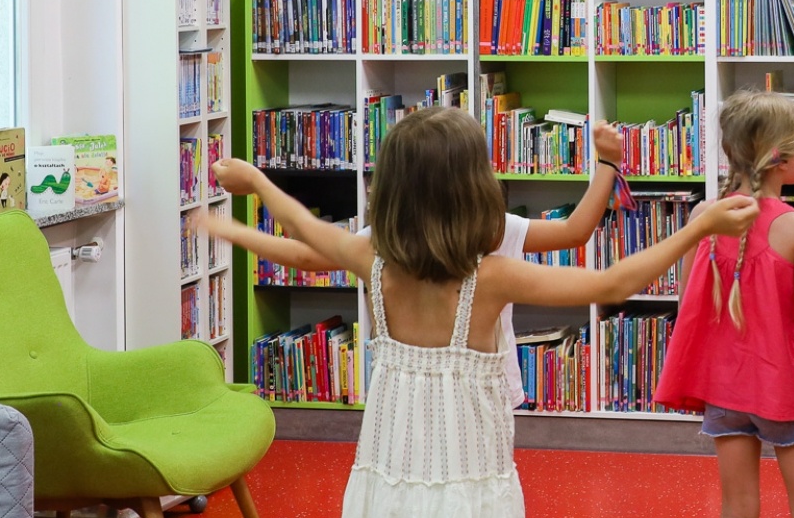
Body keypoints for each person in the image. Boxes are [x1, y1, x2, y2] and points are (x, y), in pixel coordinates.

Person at [209, 108, 758, 518]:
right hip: (469, 476)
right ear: (473, 189)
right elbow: (611, 282)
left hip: (391, 473)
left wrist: (253, 188)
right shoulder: (489, 277)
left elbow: (306, 233)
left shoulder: (368, 257)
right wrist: (698, 228)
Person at [201, 120, 628, 412]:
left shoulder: (382, 240)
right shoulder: (498, 231)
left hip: (402, 398)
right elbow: (575, 231)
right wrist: (607, 163)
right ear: (474, 182)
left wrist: (237, 223)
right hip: (479, 395)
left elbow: (304, 251)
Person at [655, 90, 794, 518]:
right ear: (781, 159)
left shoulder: (703, 217)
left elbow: (692, 301)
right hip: (784, 390)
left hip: (725, 391)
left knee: (735, 514)